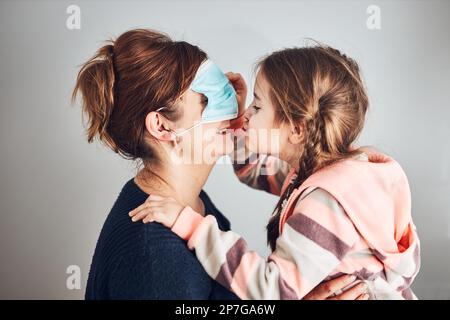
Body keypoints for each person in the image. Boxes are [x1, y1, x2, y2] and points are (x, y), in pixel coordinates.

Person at [130, 44, 420, 299]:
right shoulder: (328, 174)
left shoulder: (326, 203)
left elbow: (273, 291)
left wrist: (192, 226)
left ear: (296, 129)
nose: (245, 115)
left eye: (256, 106)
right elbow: (253, 171)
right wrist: (237, 124)